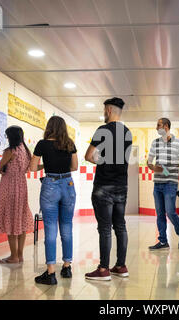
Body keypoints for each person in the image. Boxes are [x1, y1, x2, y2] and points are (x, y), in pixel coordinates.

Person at [84, 97, 132, 281]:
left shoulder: (102, 130)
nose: (104, 113)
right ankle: (121, 266)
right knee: (120, 225)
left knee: (105, 228)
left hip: (104, 185)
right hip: (122, 186)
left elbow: (89, 156)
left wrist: (101, 160)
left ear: (109, 110)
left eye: (104, 110)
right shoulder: (127, 132)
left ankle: (103, 269)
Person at [30, 116, 78, 285]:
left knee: (50, 228)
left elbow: (33, 167)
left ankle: (51, 272)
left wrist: (47, 165)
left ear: (49, 127)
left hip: (50, 184)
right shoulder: (69, 143)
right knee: (67, 226)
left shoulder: (42, 144)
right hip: (68, 184)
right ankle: (66, 267)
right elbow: (74, 167)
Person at [0, 126, 33, 264]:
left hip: (9, 187)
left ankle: (13, 256)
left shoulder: (10, 151)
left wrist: (3, 168)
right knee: (20, 220)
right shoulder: (26, 151)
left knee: (10, 219)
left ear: (11, 137)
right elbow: (31, 168)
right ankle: (20, 255)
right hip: (22, 186)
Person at [147, 118, 179, 250]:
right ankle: (163, 241)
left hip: (171, 182)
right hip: (157, 183)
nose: (156, 127)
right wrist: (153, 168)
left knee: (170, 212)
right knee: (160, 213)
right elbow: (149, 162)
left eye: (158, 125)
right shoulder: (155, 143)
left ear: (165, 127)